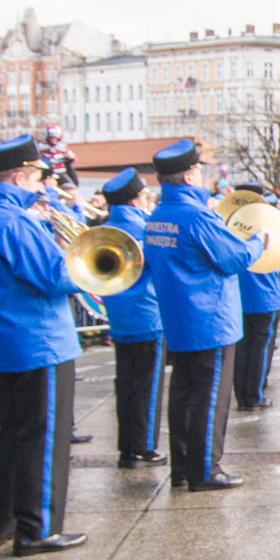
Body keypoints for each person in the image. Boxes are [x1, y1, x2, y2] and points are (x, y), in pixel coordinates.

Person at [0, 135, 87, 553]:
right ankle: (39, 528)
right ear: (18, 176)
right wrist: (71, 253)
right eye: (35, 179)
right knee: (44, 439)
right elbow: (56, 278)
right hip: (40, 341)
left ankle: (3, 524)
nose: (40, 188)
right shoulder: (13, 222)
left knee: (12, 436)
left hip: (6, 340)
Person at [143, 140, 263, 491]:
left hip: (178, 319)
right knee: (210, 397)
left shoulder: (158, 216)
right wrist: (259, 242)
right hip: (209, 319)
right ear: (190, 175)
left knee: (182, 394)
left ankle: (182, 465)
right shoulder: (196, 215)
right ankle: (205, 469)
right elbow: (233, 258)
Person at [98, 168, 168, 470]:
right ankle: (144, 447)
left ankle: (126, 447)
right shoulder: (145, 228)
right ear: (137, 199)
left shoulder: (103, 230)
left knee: (125, 383)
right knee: (148, 385)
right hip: (147, 314)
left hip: (119, 315)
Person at [232, 185, 280, 411]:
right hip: (263, 294)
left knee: (242, 347)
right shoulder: (268, 222)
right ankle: (254, 395)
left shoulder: (230, 223)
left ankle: (241, 395)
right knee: (260, 348)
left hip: (239, 293)